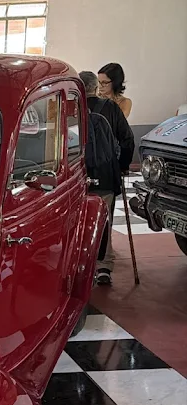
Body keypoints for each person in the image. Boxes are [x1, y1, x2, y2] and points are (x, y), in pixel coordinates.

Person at [79, 71, 134, 285]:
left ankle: (78, 263)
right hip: (104, 174)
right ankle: (103, 267)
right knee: (104, 219)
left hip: (76, 175)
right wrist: (122, 167)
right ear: (95, 88)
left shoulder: (70, 107)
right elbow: (127, 140)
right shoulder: (110, 108)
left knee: (77, 219)